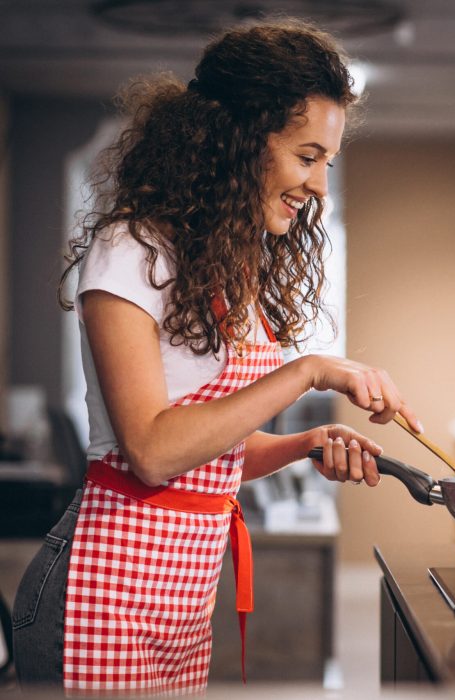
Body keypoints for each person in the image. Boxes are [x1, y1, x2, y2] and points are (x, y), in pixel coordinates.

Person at [12, 19, 420, 695]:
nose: (318, 185)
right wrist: (310, 370)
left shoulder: (223, 267)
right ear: (238, 141)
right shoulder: (132, 249)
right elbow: (151, 450)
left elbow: (210, 452)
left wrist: (308, 443)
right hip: (101, 590)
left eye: (328, 162)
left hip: (177, 604)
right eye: (306, 156)